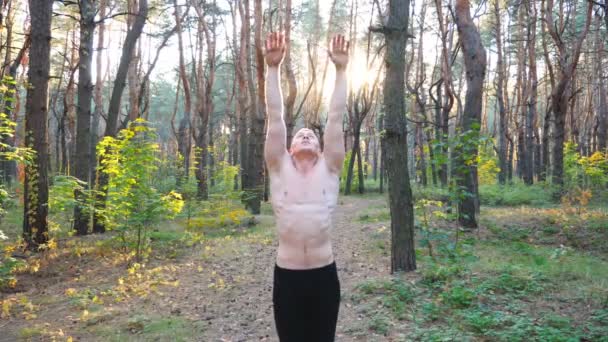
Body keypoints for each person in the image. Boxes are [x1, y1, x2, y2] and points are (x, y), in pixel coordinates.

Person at [264, 31, 349, 342]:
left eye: (311, 135)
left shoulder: (330, 168)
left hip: (324, 274)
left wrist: (340, 70)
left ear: (322, 147)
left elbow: (336, 118)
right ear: (287, 148)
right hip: (286, 276)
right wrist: (272, 69)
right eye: (299, 135)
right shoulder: (278, 167)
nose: (305, 136)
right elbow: (275, 117)